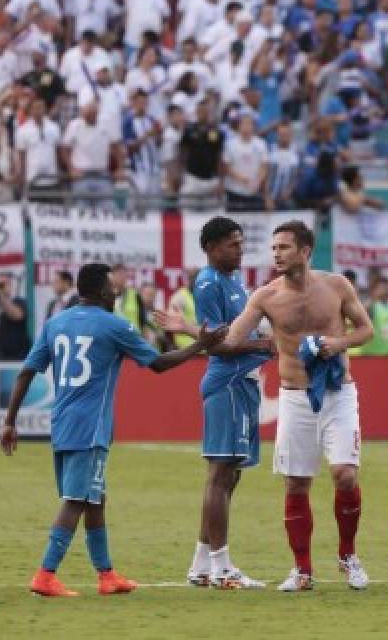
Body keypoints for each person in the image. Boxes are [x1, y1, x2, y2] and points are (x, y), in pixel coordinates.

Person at [163, 220, 373, 591]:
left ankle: (348, 555)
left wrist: (337, 345)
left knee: (345, 474)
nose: (275, 254)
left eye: (284, 247)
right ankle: (302, 570)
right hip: (295, 397)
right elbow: (228, 340)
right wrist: (190, 329)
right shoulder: (264, 296)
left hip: (339, 392)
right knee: (295, 483)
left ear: (305, 252)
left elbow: (365, 330)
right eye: (273, 248)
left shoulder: (337, 285)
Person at [0, 263, 227, 598]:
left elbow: (27, 371)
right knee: (77, 499)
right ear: (100, 290)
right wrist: (200, 345)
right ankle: (45, 574)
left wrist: (9, 420)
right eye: (111, 287)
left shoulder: (55, 323)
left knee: (95, 498)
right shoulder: (113, 325)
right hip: (90, 427)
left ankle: (106, 575)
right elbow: (159, 364)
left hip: (62, 424)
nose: (115, 291)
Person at [160, 217, 274, 589]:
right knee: (220, 474)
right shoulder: (209, 283)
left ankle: (201, 565)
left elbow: (232, 331)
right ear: (210, 248)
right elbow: (218, 343)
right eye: (230, 244)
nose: (239, 249)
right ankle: (223, 567)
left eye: (240, 243)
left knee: (231, 474)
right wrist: (263, 345)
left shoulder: (235, 280)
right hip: (227, 383)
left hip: (243, 383)